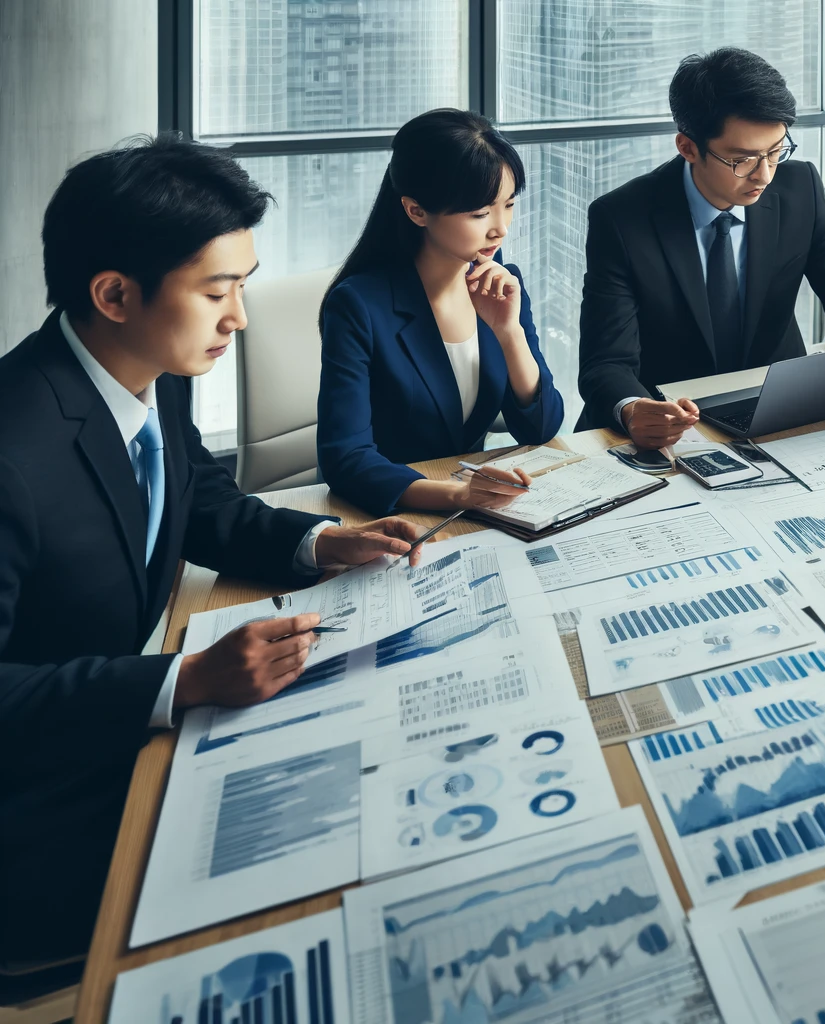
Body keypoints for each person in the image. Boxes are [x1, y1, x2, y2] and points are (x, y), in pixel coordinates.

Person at [0, 136, 427, 966]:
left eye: (243, 287)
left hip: (130, 741)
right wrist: (183, 680)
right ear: (115, 293)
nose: (239, 318)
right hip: (44, 811)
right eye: (216, 292)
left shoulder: (137, 369)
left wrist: (319, 543)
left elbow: (195, 496)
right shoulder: (13, 450)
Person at [576, 47, 825, 446]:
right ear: (688, 147)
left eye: (776, 150)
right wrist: (632, 406)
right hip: (671, 424)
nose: (764, 175)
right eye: (742, 159)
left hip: (777, 411)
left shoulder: (800, 189)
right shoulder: (623, 218)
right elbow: (605, 363)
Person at [318, 109, 562, 516]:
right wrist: (456, 496)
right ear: (416, 211)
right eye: (480, 213)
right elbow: (345, 458)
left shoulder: (502, 282)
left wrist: (509, 332)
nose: (500, 228)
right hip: (395, 514)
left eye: (509, 204)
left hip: (479, 507)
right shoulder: (358, 305)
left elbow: (541, 428)